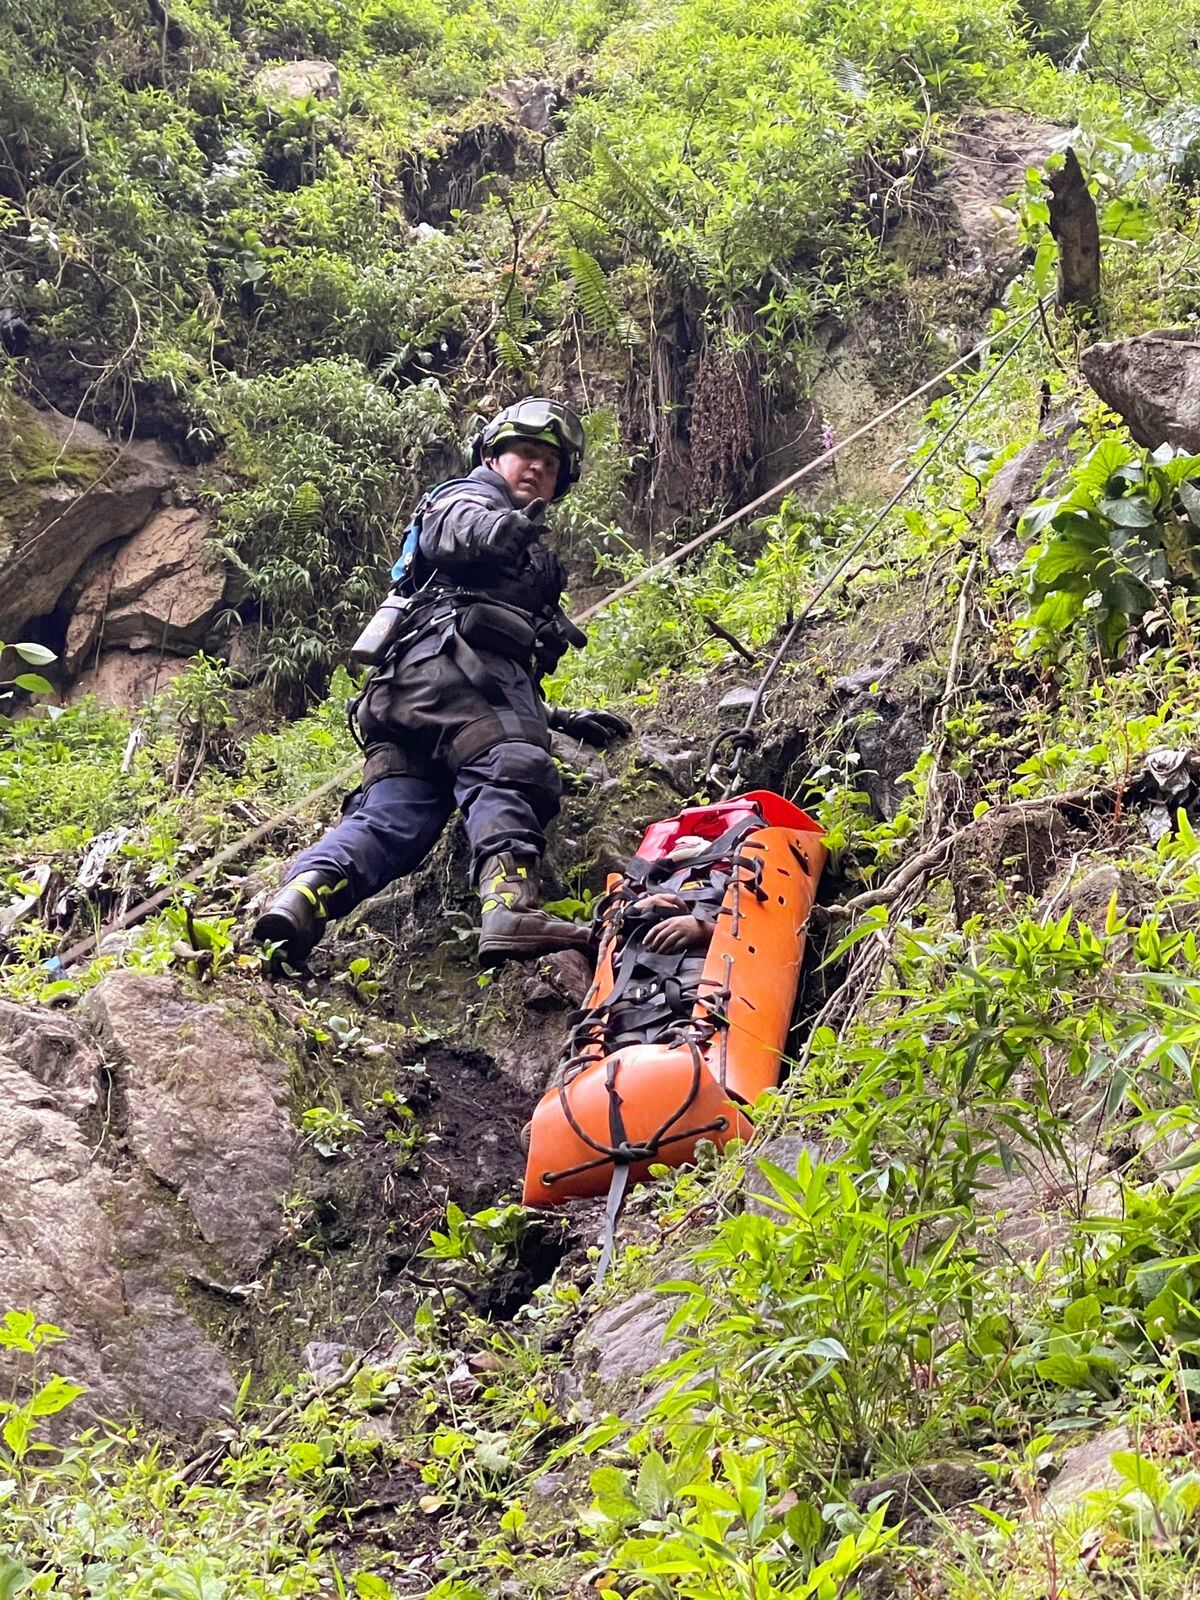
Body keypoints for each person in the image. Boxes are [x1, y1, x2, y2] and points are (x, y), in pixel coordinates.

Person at [254, 398, 631, 969]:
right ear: (492, 455)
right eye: (526, 453)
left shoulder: (511, 531)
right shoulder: (471, 498)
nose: (537, 469)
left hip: (411, 696)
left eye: (551, 466)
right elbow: (457, 527)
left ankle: (300, 900)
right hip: (455, 677)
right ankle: (510, 907)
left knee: (393, 819)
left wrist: (554, 717)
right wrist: (497, 529)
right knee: (512, 765)